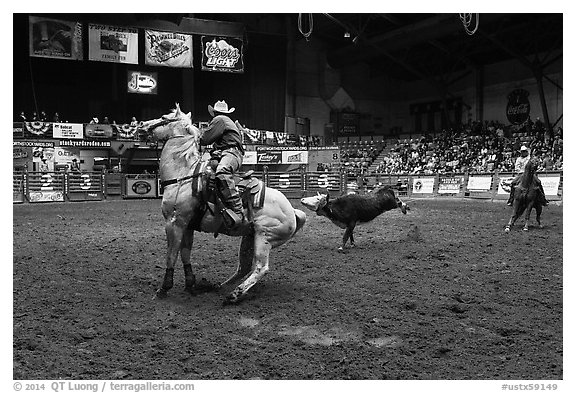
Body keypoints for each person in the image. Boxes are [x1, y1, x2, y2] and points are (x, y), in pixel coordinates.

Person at [199, 100, 248, 231]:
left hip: (231, 153)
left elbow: (205, 139)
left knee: (222, 172)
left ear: (215, 112)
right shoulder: (226, 121)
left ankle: (238, 211)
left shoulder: (220, 119)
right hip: (229, 153)